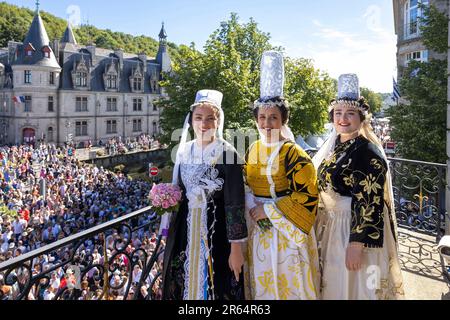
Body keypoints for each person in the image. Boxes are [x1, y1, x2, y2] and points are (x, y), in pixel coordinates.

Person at [312, 73, 405, 300]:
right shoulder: (335, 145)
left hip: (351, 231)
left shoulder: (367, 151)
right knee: (334, 284)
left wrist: (356, 244)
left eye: (350, 113)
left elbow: (370, 201)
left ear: (362, 118)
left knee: (354, 285)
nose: (343, 119)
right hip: (332, 227)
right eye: (338, 113)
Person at [244, 51, 320, 300]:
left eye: (273, 118)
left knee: (289, 284)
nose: (267, 123)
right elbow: (246, 184)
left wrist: (270, 211)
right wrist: (253, 208)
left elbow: (308, 194)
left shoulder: (293, 152)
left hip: (286, 232)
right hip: (259, 228)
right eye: (262, 118)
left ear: (283, 120)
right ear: (256, 120)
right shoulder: (253, 148)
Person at [161, 89, 247, 300]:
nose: (204, 124)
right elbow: (180, 192)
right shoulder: (184, 152)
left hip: (216, 235)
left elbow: (235, 204)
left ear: (218, 121)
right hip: (185, 233)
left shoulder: (228, 154)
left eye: (210, 118)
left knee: (217, 287)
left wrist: (236, 249)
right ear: (191, 121)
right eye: (198, 118)